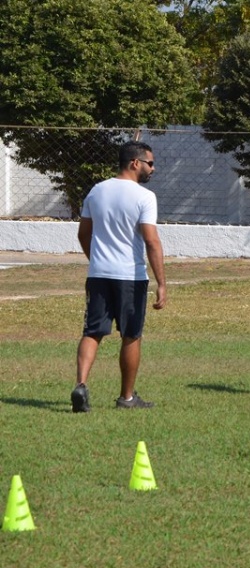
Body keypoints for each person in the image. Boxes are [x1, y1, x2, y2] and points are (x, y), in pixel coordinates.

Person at [71, 141, 167, 412]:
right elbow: (151, 241)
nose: (153, 169)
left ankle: (81, 385)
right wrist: (162, 283)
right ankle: (126, 398)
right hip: (130, 277)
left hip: (98, 275)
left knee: (92, 332)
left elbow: (83, 234)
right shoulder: (144, 197)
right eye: (150, 163)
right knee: (131, 335)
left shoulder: (96, 191)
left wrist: (97, 262)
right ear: (135, 163)